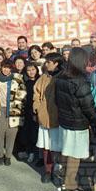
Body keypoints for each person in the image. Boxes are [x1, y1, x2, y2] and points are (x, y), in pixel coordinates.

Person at [56, 48, 96, 190]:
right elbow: (88, 106)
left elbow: (56, 100)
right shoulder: (80, 80)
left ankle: (64, 178)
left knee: (66, 151)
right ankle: (70, 183)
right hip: (77, 122)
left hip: (64, 119)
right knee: (75, 153)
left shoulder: (60, 76)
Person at [0, 59, 26, 166]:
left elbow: (23, 93)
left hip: (13, 109)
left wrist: (18, 105)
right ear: (1, 67)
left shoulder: (17, 78)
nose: (6, 70)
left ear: (11, 68)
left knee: (11, 133)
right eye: (4, 67)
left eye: (8, 68)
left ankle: (8, 156)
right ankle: (0, 155)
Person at [34, 52, 63, 183]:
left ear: (56, 63)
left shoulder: (63, 77)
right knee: (46, 146)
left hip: (59, 117)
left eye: (48, 62)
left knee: (58, 146)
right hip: (44, 115)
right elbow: (36, 93)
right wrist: (37, 107)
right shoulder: (43, 77)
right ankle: (48, 170)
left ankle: (58, 171)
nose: (46, 64)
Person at [21, 62, 40, 163]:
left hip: (38, 110)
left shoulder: (40, 81)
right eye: (28, 70)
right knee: (29, 132)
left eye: (33, 70)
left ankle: (38, 155)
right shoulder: (26, 82)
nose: (31, 72)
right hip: (28, 110)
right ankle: (30, 152)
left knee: (37, 133)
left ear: (36, 70)